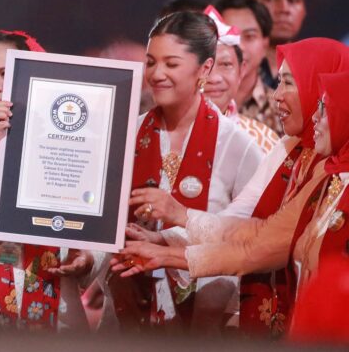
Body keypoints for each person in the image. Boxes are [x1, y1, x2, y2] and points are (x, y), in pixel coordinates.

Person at [115, 41, 349, 339]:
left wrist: (172, 243)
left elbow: (264, 246)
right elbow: (247, 222)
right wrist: (166, 238)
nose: (277, 95)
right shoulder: (291, 149)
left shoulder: (327, 167)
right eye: (152, 63)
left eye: (289, 82)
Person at [102, 11, 263, 334]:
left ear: (204, 68)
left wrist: (172, 230)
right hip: (125, 316)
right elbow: (102, 219)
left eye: (171, 64)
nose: (157, 74)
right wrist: (88, 262)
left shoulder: (239, 146)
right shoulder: (125, 132)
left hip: (207, 319)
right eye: (150, 62)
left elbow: (253, 236)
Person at [0, 30, 99, 331]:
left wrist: (90, 259)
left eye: (5, 72)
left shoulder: (66, 147)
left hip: (57, 316)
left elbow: (93, 221)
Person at [202, 5, 279, 154]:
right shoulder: (154, 130)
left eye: (225, 64)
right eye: (205, 66)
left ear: (241, 70)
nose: (213, 78)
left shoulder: (263, 140)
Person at [213, 0, 282, 136]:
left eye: (249, 36)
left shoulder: (283, 111)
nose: (240, 47)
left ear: (265, 45)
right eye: (230, 36)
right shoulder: (190, 105)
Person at [243, 0, 306, 91]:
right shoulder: (226, 69)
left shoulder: (317, 73)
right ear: (246, 3)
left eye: (293, 0)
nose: (284, 9)